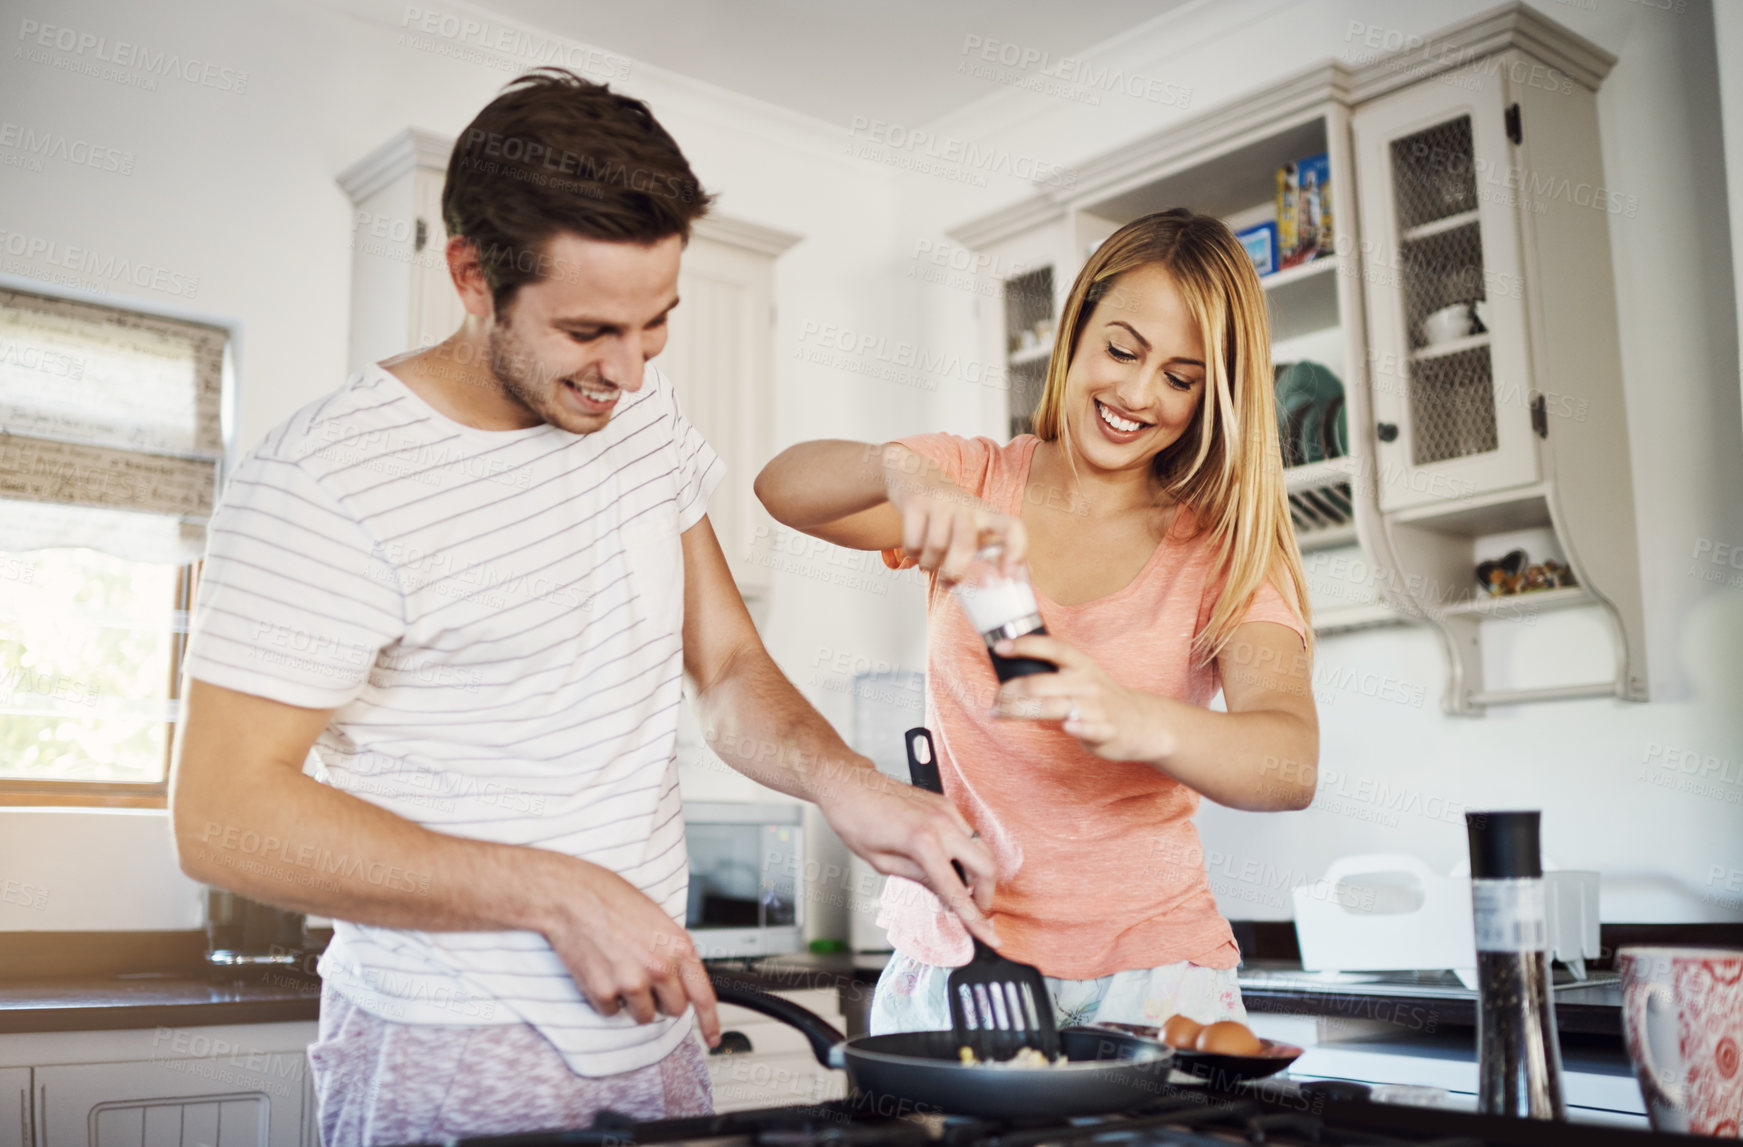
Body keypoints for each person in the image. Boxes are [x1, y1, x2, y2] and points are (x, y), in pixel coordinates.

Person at [168, 69, 998, 1145]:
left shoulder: (638, 421)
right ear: (473, 275)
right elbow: (222, 814)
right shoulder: (327, 478)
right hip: (457, 1042)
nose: (630, 369)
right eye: (590, 330)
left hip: (656, 1024)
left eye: (657, 324)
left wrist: (850, 785)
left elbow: (730, 673)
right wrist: (556, 893)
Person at [754, 208, 1319, 1036]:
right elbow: (780, 487)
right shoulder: (974, 480)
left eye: (1179, 376)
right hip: (959, 956)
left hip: (1149, 976)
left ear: (1211, 394)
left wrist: (1133, 717)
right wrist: (902, 473)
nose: (1135, 394)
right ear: (1077, 324)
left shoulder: (1223, 546)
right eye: (1122, 350)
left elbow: (1288, 762)